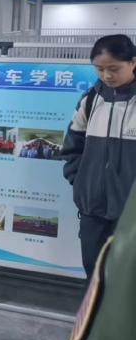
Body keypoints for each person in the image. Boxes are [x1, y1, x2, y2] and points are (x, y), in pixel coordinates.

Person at [61, 34, 136, 282]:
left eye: (114, 68)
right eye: (99, 68)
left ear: (133, 62)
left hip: (131, 216)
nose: (106, 75)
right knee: (95, 278)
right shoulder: (91, 99)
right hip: (93, 212)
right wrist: (81, 182)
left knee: (126, 285)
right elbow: (72, 147)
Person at [55, 173, 136, 340]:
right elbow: (74, 154)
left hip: (125, 208)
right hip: (93, 208)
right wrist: (82, 180)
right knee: (93, 280)